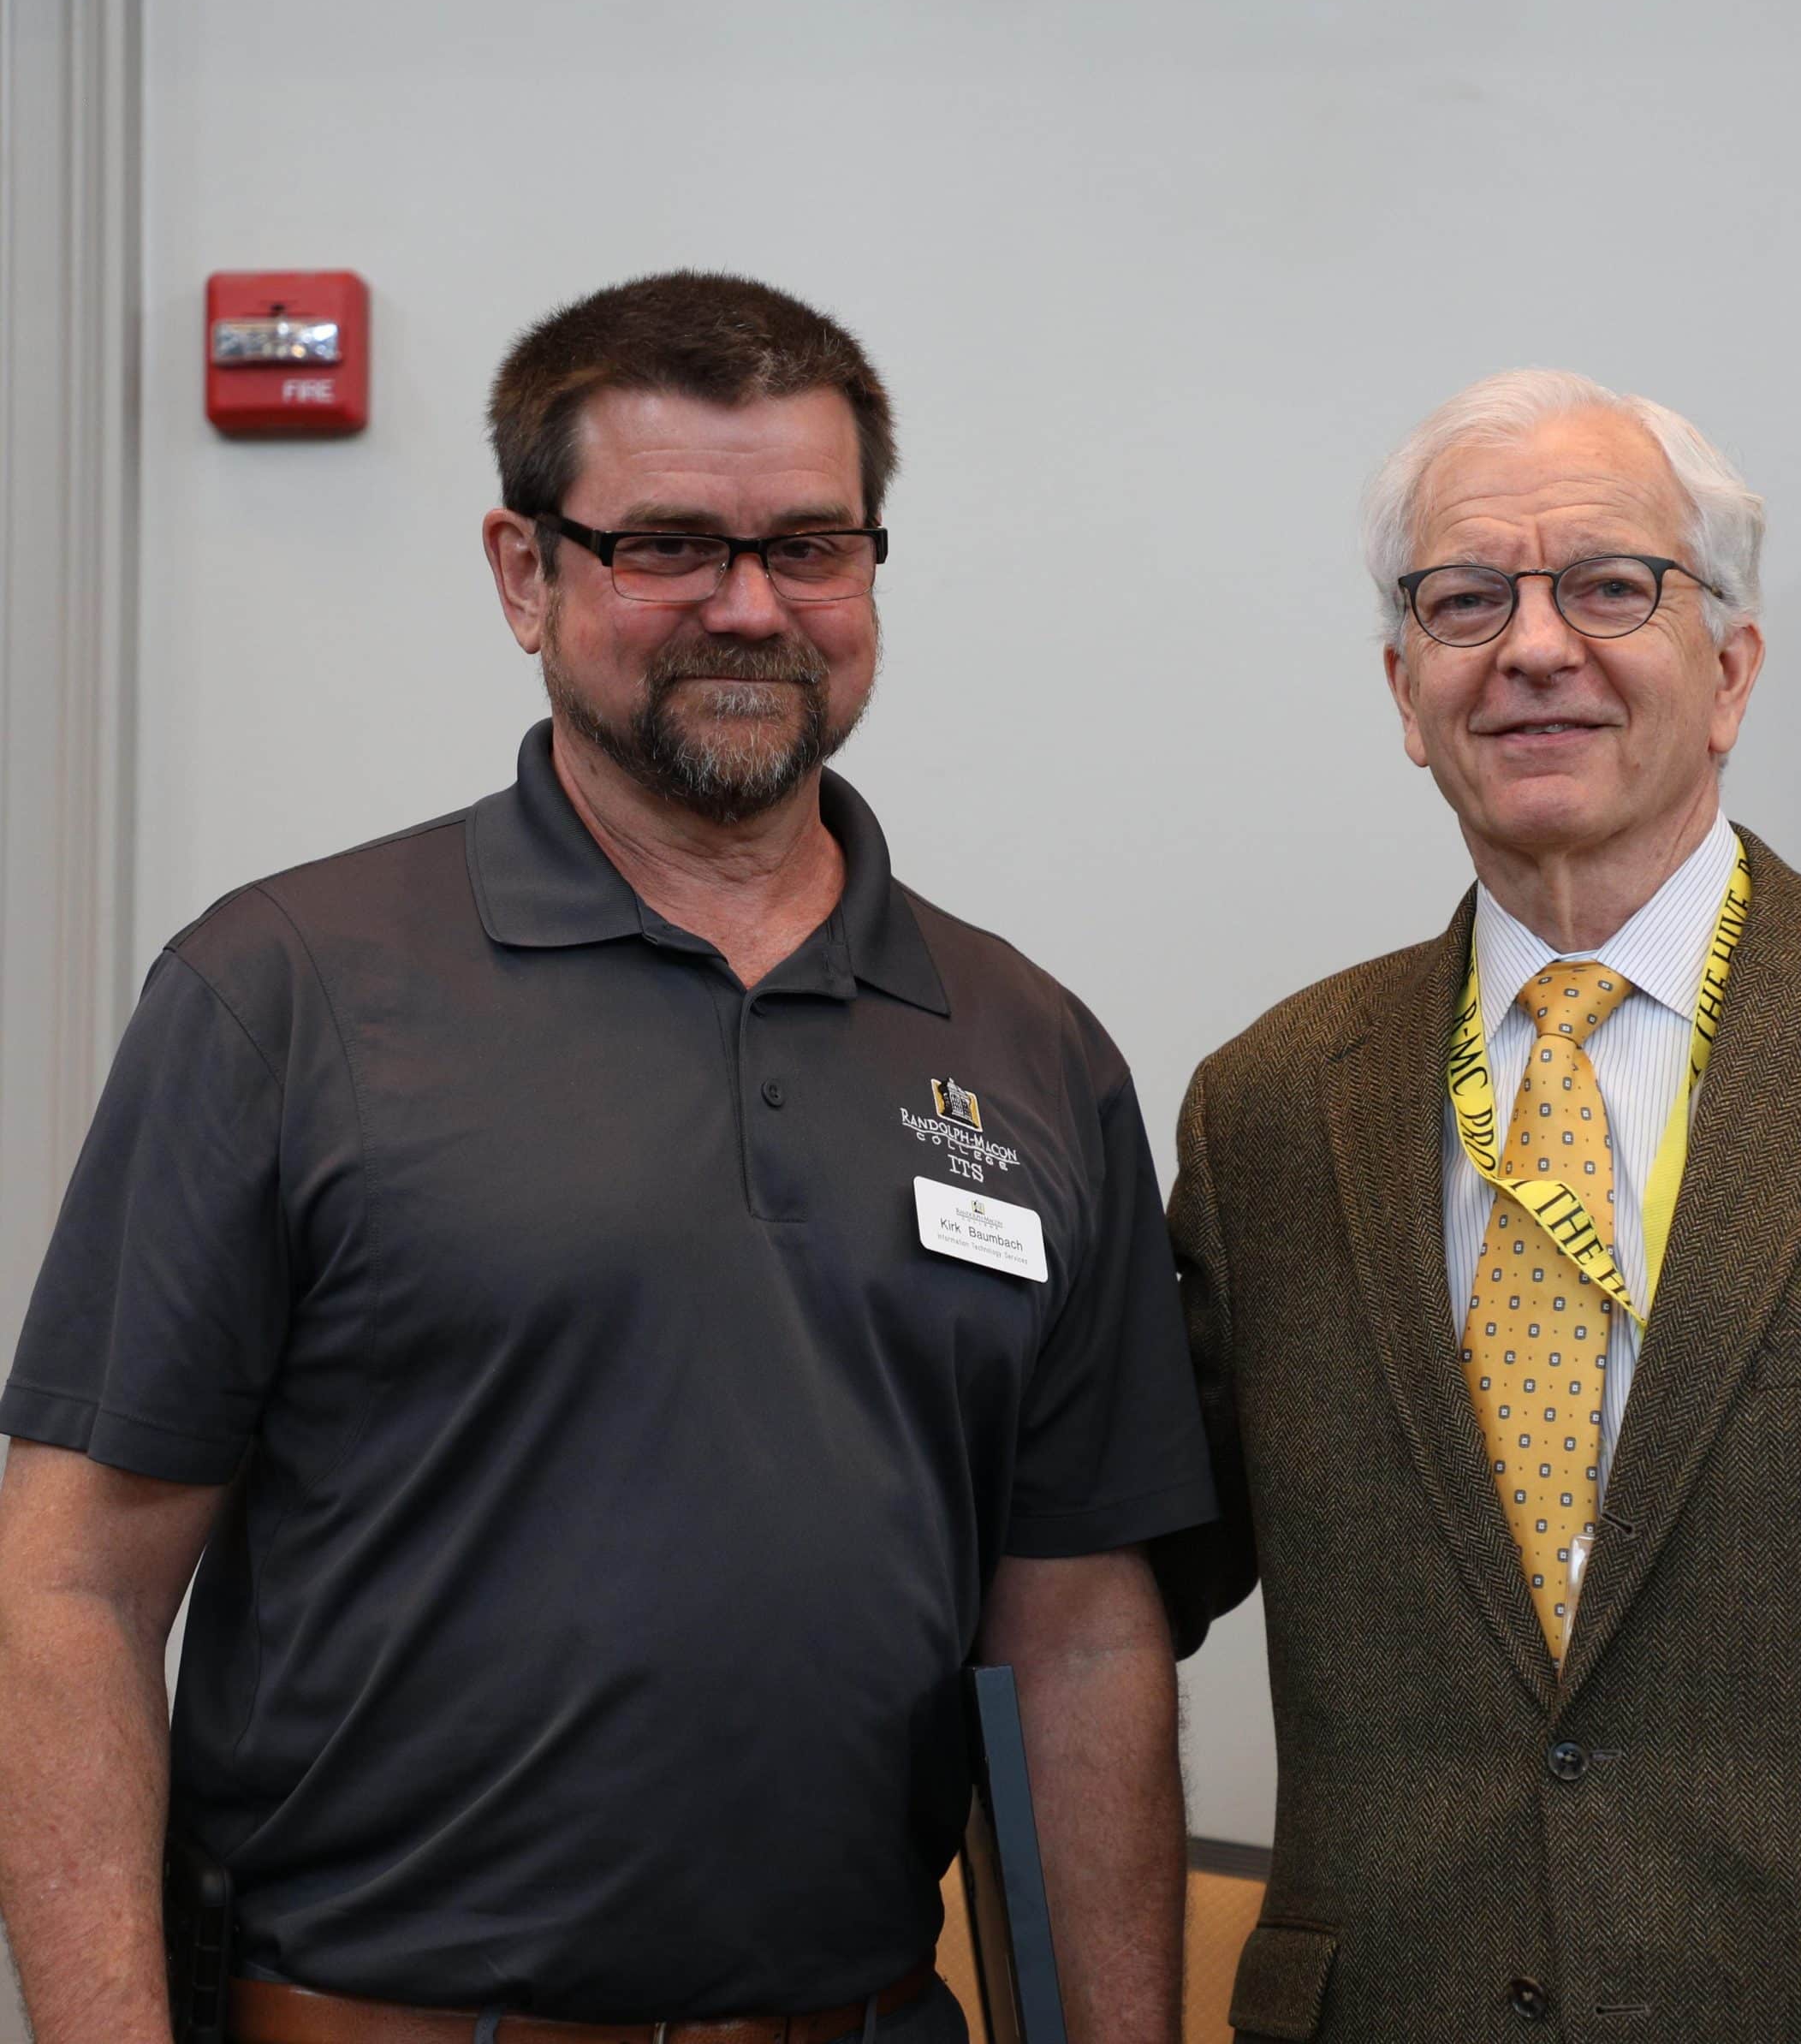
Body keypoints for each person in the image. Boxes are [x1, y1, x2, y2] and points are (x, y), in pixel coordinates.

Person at [0, 271, 1213, 2044]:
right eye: (666, 546)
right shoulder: (284, 992)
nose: (748, 605)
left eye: (810, 544)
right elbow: (72, 1583)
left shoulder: (1023, 1043)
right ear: (524, 572)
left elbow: (1084, 1636)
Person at [1154, 370, 1801, 2041]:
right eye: (1463, 598)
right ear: (1405, 690)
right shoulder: (1269, 1103)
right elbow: (1118, 1571)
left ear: (1728, 665)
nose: (1533, 643)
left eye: (1608, 584)